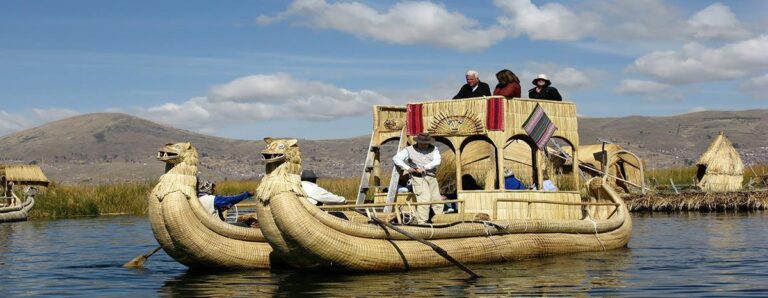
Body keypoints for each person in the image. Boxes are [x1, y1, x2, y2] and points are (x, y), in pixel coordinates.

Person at [393, 133, 443, 223]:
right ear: (418, 142)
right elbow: (396, 158)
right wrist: (408, 168)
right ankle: (422, 223)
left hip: (431, 176)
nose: (424, 145)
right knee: (424, 199)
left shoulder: (434, 149)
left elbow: (437, 161)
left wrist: (425, 167)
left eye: (426, 143)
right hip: (418, 178)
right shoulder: (409, 150)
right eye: (422, 143)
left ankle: (440, 220)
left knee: (437, 200)